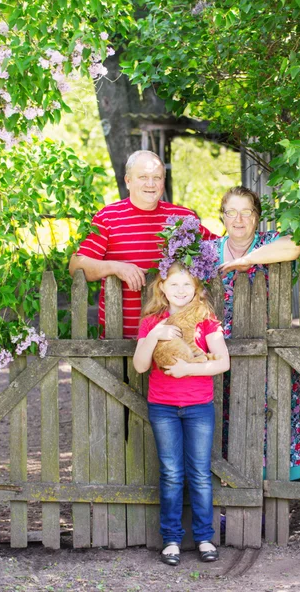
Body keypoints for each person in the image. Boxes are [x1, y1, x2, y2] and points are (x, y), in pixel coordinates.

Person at [133, 217, 229, 565]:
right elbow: (141, 366)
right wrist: (155, 336)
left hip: (198, 406)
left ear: (196, 287)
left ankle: (204, 538)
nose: (181, 290)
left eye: (187, 285)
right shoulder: (152, 323)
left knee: (200, 473)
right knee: (172, 473)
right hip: (163, 407)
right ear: (163, 286)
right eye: (175, 284)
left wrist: (190, 368)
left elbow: (222, 362)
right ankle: (171, 540)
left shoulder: (206, 320)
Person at [217, 185, 300, 480]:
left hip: (271, 349)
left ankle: (271, 505)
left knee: (274, 420)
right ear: (222, 217)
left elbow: (298, 243)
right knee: (230, 426)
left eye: (246, 212)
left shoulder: (268, 241)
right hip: (224, 355)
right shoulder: (210, 250)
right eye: (231, 212)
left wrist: (248, 260)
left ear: (257, 217)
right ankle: (234, 495)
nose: (238, 219)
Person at [69, 150, 215, 339]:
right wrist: (116, 267)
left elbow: (217, 249)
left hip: (174, 338)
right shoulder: (108, 217)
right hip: (119, 338)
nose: (150, 184)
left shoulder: (183, 218)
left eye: (157, 177)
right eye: (143, 177)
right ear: (128, 181)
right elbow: (76, 265)